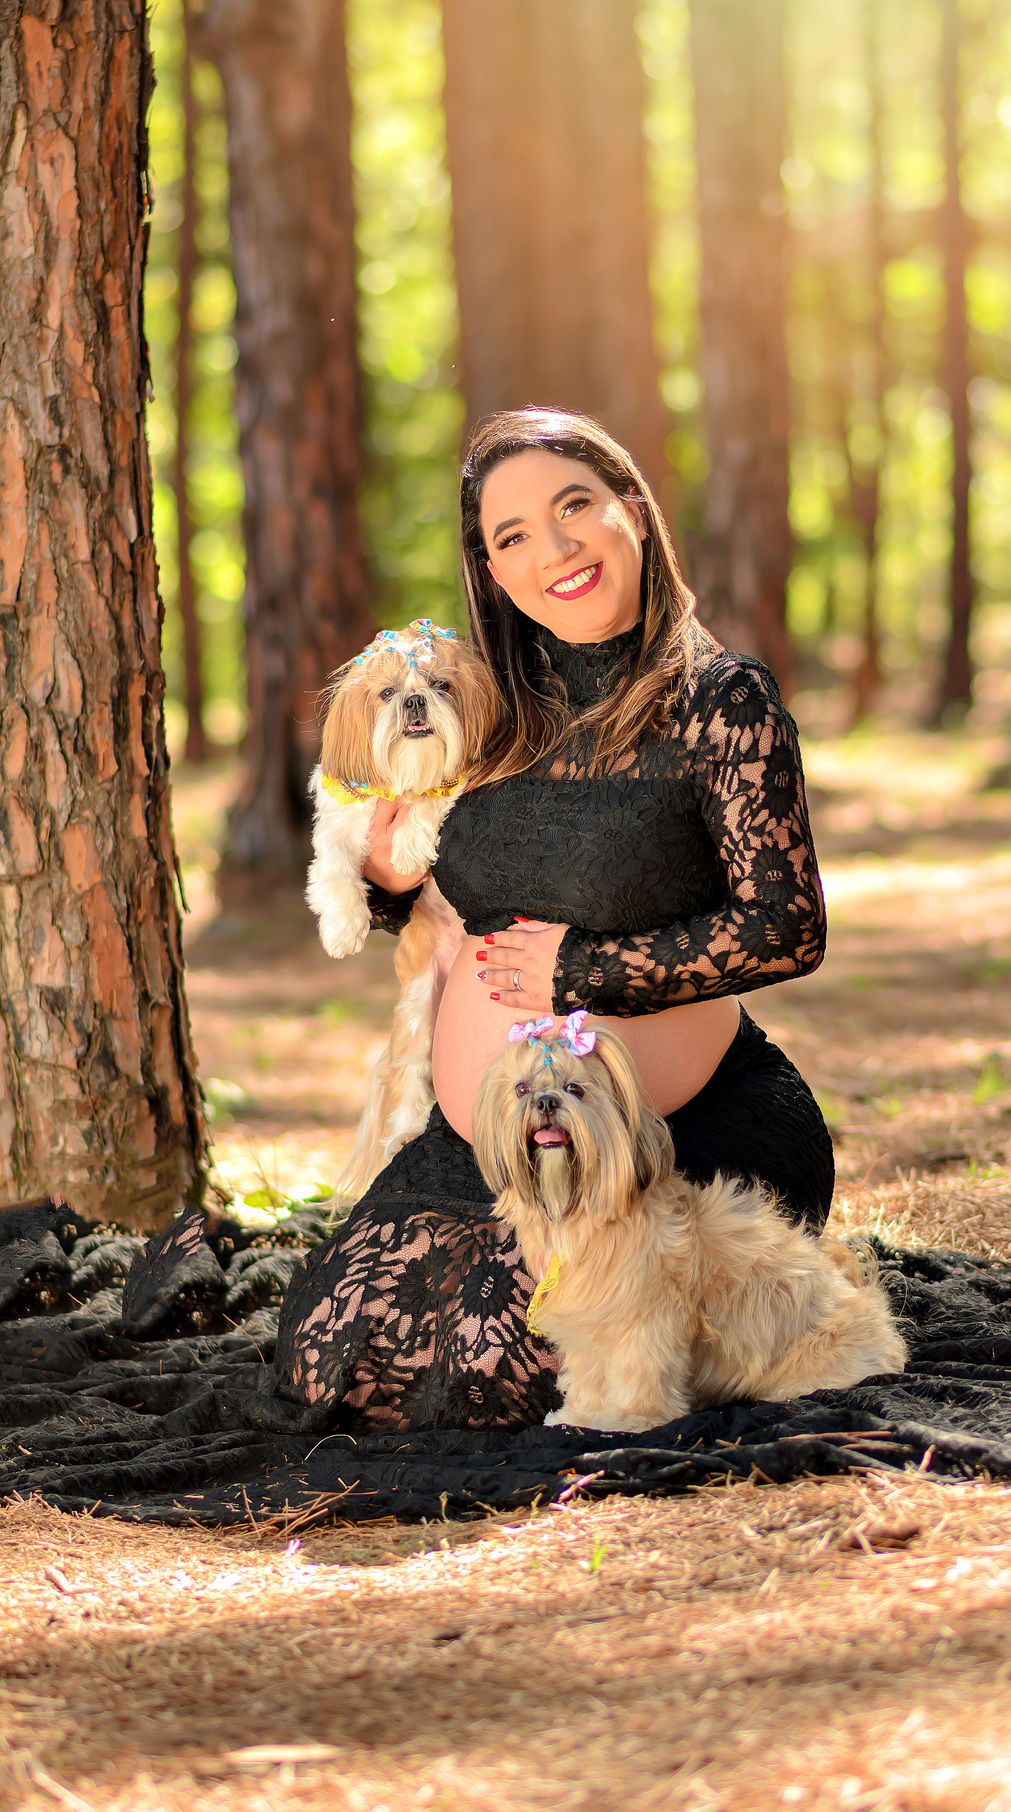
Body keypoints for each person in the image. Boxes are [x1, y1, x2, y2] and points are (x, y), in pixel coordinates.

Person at [276, 407, 833, 1431]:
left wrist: (582, 974)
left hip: (673, 1134)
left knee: (502, 1359)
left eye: (574, 506)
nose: (556, 548)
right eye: (513, 535)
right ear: (491, 570)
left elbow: (787, 927)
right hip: (498, 1136)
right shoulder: (493, 708)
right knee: (332, 1355)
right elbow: (451, 869)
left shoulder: (723, 703)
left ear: (633, 510)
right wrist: (388, 881)